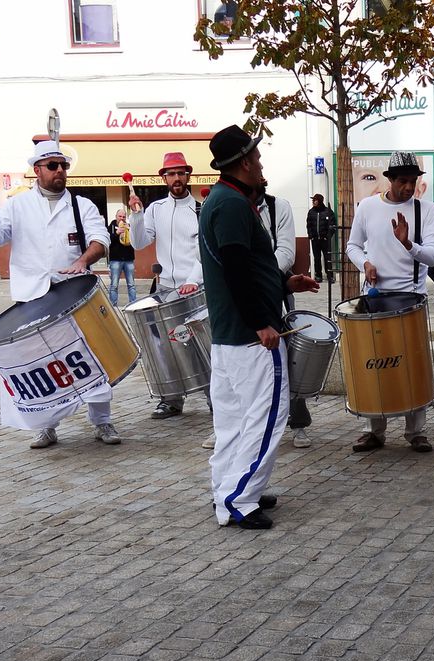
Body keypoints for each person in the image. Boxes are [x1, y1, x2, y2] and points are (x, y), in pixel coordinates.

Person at [199, 124, 319, 530]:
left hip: (230, 336)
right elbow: (234, 271)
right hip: (250, 337)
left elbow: (244, 269)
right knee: (267, 415)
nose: (261, 162)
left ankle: (227, 488)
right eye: (258, 156)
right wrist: (260, 323)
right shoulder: (231, 205)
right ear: (246, 163)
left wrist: (284, 283)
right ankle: (239, 499)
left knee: (233, 421)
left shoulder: (223, 200)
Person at [0, 140, 120, 449]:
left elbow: (100, 239)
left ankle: (102, 421)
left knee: (91, 355)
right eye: (52, 166)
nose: (60, 171)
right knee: (38, 362)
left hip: (74, 292)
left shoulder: (83, 205)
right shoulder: (17, 204)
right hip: (33, 294)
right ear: (37, 170)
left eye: (63, 166)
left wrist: (83, 260)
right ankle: (45, 425)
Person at [345, 150, 434, 453]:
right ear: (390, 180)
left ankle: (416, 431)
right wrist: (365, 264)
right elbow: (352, 246)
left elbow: (433, 256)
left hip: (411, 296)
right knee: (375, 363)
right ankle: (373, 429)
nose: (409, 187)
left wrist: (407, 243)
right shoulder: (368, 207)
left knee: (413, 361)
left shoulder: (426, 210)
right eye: (403, 181)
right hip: (376, 296)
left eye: (413, 181)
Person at [128, 151, 205, 420]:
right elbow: (139, 243)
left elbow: (203, 252)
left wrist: (193, 281)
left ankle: (213, 398)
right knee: (166, 346)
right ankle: (171, 399)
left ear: (188, 176)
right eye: (171, 174)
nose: (177, 178)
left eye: (181, 173)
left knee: (199, 343)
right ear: (164, 178)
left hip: (194, 287)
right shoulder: (155, 209)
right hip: (165, 288)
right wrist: (135, 215)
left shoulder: (199, 209)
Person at [261, 182, 314, 449]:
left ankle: (299, 423)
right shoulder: (230, 208)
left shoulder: (277, 207)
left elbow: (285, 253)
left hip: (277, 290)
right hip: (243, 294)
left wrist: (259, 277)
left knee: (290, 358)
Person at [107, 208, 136, 306]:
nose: (122, 218)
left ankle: (133, 304)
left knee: (131, 285)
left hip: (128, 260)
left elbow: (136, 241)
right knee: (114, 285)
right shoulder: (110, 227)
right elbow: (108, 241)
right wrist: (116, 233)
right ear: (116, 217)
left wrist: (131, 230)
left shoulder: (129, 226)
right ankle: (113, 305)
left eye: (124, 217)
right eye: (120, 216)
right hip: (115, 260)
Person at [306, 193, 336, 284]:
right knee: (317, 258)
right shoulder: (311, 212)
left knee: (327, 258)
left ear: (319, 201)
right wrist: (311, 236)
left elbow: (333, 226)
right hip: (315, 240)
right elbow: (309, 225)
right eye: (313, 200)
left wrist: (327, 237)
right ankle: (318, 276)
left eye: (314, 200)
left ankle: (330, 276)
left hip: (325, 240)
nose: (313, 202)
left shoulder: (328, 212)